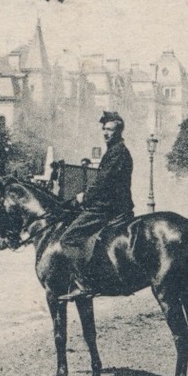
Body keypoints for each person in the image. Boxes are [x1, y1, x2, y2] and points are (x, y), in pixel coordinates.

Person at [56, 111, 135, 301]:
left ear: (119, 131)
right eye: (104, 129)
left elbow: (103, 182)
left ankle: (83, 284)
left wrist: (84, 197)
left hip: (108, 207)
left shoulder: (117, 152)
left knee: (69, 238)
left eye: (109, 129)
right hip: (113, 204)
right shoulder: (116, 151)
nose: (105, 133)